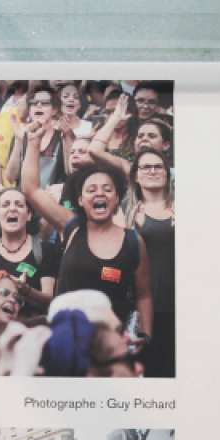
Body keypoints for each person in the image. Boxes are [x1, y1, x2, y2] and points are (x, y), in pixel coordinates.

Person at [22, 121, 153, 341]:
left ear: (116, 200)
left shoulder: (133, 241)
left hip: (110, 345)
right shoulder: (70, 225)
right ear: (81, 200)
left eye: (107, 189)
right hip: (65, 339)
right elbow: (31, 189)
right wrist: (33, 143)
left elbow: (145, 296)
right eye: (91, 190)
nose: (99, 193)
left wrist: (146, 336)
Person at [0, 188, 60, 314]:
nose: (12, 209)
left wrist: (26, 290)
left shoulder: (45, 250)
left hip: (30, 327)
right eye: (5, 205)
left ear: (29, 215)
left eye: (19, 205)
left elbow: (50, 300)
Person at [127, 148, 175, 378]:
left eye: (158, 166)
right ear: (136, 175)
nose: (153, 171)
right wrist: (132, 229)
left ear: (167, 173)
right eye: (146, 167)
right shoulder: (128, 212)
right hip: (146, 308)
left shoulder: (186, 207)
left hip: (182, 306)